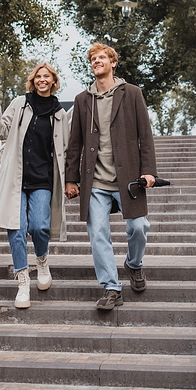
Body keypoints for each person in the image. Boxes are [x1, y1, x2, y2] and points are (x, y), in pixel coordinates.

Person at [65, 42, 156, 311]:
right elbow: (75, 143)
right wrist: (72, 179)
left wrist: (149, 170)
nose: (96, 61)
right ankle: (111, 287)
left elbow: (145, 136)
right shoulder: (83, 100)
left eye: (102, 57)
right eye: (92, 59)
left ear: (113, 62)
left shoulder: (132, 93)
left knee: (139, 227)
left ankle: (134, 264)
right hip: (95, 182)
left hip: (128, 179)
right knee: (98, 233)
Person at [0, 63, 69, 309]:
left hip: (43, 179)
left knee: (40, 226)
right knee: (17, 228)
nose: (42, 80)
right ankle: (23, 280)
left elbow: (64, 150)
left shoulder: (60, 113)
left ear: (53, 81)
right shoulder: (20, 103)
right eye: (38, 77)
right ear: (33, 81)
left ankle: (42, 260)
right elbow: (1, 131)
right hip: (17, 177)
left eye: (47, 77)